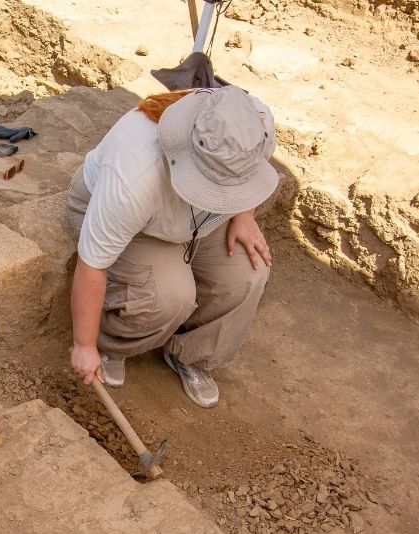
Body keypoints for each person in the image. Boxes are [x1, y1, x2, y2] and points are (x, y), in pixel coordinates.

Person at [67, 85, 278, 408]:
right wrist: (84, 346)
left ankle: (193, 355)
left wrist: (244, 213)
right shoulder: (134, 174)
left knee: (250, 273)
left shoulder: (254, 125)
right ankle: (115, 345)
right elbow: (92, 264)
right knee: (170, 296)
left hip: (203, 220)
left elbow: (257, 166)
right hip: (141, 227)